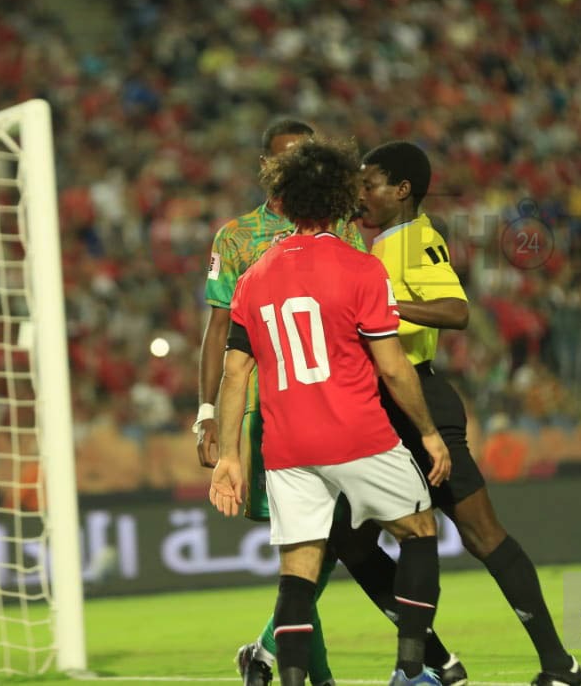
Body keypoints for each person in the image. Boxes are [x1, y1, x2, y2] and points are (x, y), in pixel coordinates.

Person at [195, 120, 467, 686]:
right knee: (418, 532)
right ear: (341, 196)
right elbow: (392, 365)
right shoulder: (361, 266)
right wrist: (429, 432)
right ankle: (412, 668)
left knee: (298, 571)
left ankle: (289, 676)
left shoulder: (255, 277)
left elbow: (235, 371)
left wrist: (231, 457)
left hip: (287, 446)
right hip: (358, 432)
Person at [355, 141, 581, 686]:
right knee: (352, 542)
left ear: (402, 190)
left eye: (369, 184)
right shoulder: (379, 243)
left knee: (482, 534)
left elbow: (455, 310)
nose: (359, 194)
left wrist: (384, 308)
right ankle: (437, 661)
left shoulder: (417, 240)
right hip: (376, 407)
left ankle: (558, 663)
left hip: (417, 400)